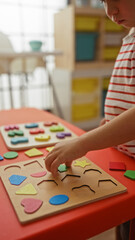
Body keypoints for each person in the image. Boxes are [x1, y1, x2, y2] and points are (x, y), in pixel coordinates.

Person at [45, 0, 135, 239]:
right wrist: (111, 125)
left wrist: (84, 142)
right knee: (123, 224)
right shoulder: (130, 35)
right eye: (105, 1)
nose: (110, 10)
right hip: (124, 158)